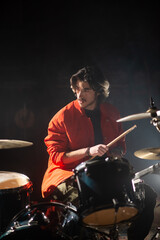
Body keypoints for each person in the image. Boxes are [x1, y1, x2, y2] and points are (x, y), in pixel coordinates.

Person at [41, 66, 157, 240]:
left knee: (148, 195)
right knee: (84, 208)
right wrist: (89, 151)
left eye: (86, 89)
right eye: (77, 90)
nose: (80, 95)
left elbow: (120, 146)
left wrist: (116, 154)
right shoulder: (62, 117)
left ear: (98, 90)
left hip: (103, 174)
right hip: (66, 174)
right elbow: (57, 156)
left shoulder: (111, 112)